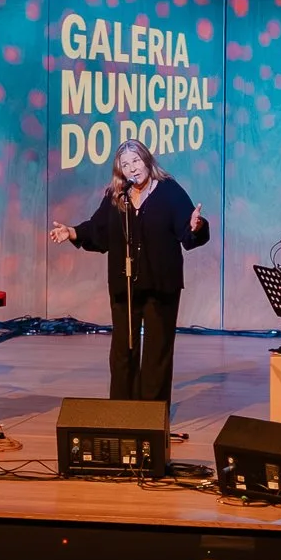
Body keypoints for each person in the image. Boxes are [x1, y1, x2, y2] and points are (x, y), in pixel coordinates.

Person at [47, 140, 209, 406]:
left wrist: (196, 226)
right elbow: (98, 230)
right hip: (126, 287)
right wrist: (72, 232)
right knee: (123, 352)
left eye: (136, 161)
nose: (133, 168)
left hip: (161, 286)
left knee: (157, 354)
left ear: (147, 160)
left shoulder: (169, 191)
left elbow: (189, 234)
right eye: (126, 165)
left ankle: (152, 416)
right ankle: (122, 413)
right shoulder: (117, 196)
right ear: (120, 170)